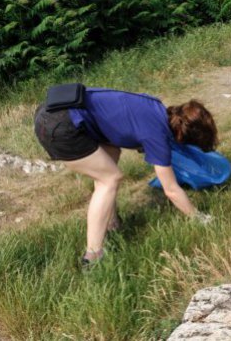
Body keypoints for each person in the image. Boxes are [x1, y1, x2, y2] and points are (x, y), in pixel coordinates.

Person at [33, 88, 218, 266]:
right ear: (183, 136)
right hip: (60, 127)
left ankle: (112, 224)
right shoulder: (157, 135)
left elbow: (123, 123)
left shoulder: (155, 105)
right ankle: (94, 255)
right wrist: (198, 217)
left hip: (52, 108)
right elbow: (171, 190)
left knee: (112, 153)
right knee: (110, 179)